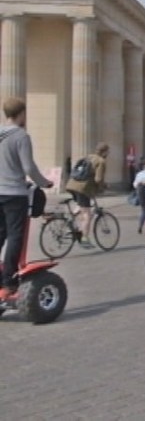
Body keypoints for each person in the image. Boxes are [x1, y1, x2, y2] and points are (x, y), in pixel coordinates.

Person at [0, 97, 54, 300]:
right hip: (14, 193)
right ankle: (9, 281)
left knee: (0, 234)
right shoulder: (21, 136)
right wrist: (44, 182)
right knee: (16, 236)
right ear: (21, 114)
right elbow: (28, 167)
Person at [64, 141, 109, 246]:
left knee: (81, 206)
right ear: (105, 152)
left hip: (71, 184)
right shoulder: (101, 161)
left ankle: (69, 222)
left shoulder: (88, 157)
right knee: (87, 214)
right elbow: (98, 179)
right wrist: (103, 187)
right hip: (83, 189)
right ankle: (84, 239)